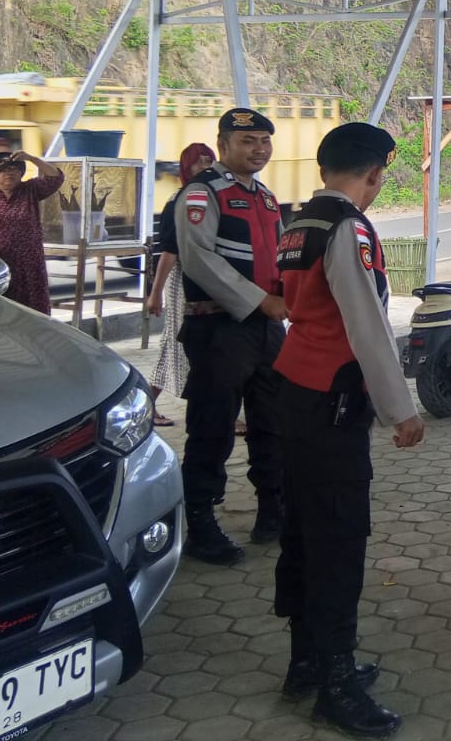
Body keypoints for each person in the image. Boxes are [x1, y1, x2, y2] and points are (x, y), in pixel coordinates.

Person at [271, 122, 423, 737]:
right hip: (332, 401)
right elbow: (367, 327)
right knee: (338, 537)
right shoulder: (348, 229)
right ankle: (335, 684)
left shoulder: (298, 223)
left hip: (294, 389)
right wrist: (400, 408)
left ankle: (306, 661)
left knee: (303, 529)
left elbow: (296, 306)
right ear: (375, 173)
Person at [175, 108, 288, 565]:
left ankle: (272, 511)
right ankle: (200, 524)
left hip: (267, 330)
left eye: (264, 140)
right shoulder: (202, 194)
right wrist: (261, 301)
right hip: (219, 328)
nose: (258, 149)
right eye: (247, 141)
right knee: (212, 426)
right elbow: (198, 259)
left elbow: (279, 257)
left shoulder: (266, 197)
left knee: (273, 421)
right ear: (223, 145)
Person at [145, 142, 217, 426]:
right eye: (200, 162)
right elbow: (169, 251)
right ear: (187, 167)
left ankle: (146, 405)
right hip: (184, 282)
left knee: (175, 343)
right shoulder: (181, 200)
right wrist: (156, 294)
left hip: (207, 280)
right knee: (181, 341)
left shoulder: (213, 197)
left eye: (209, 160)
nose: (206, 166)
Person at [0, 151, 65, 313]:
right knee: (0, 309)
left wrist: (32, 158)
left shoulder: (30, 190)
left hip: (28, 265)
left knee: (32, 309)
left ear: (21, 174)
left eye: (15, 169)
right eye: (6, 169)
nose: (10, 173)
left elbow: (55, 177)